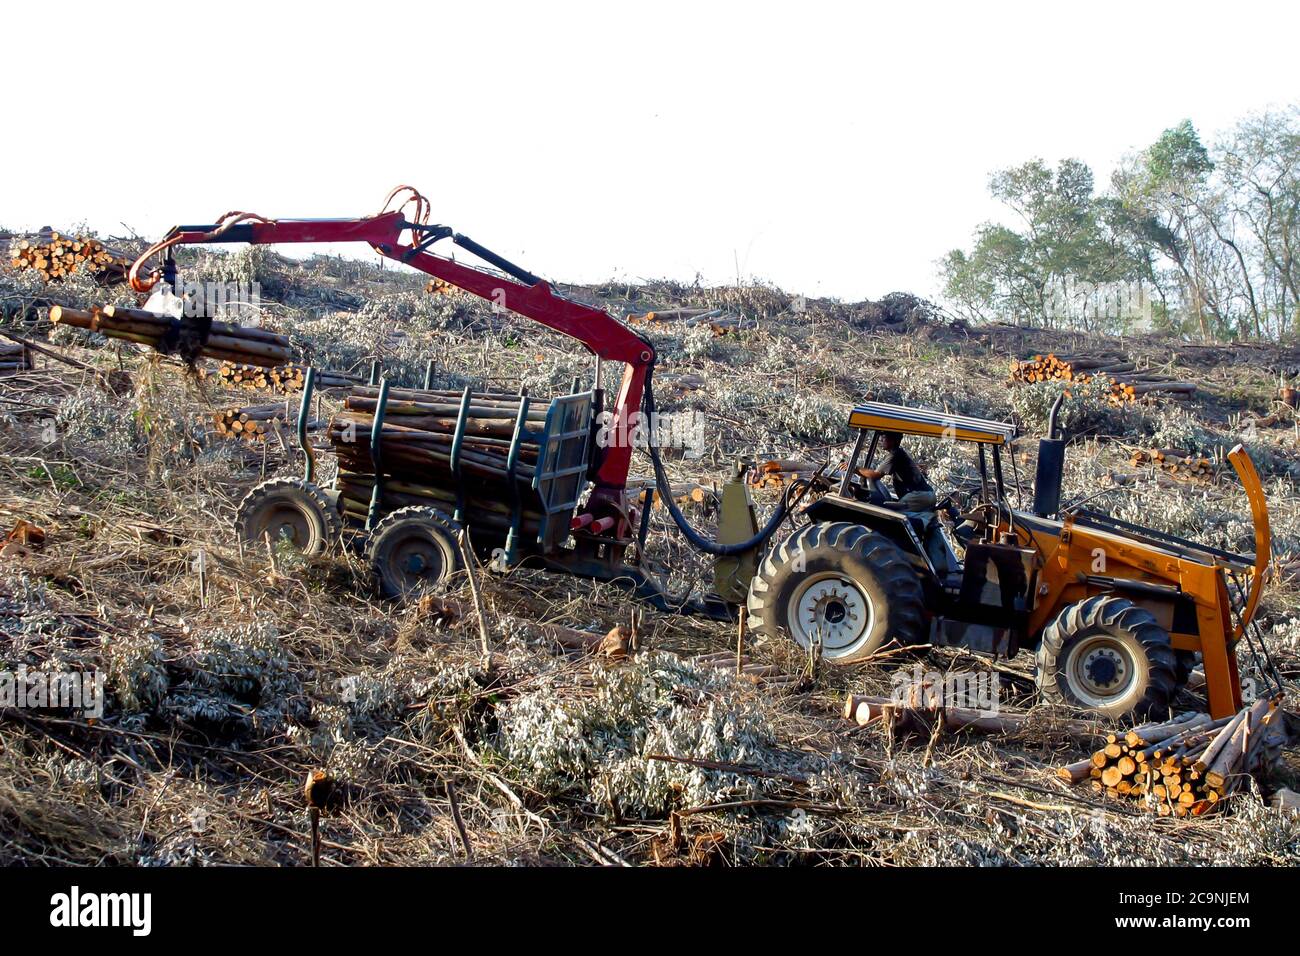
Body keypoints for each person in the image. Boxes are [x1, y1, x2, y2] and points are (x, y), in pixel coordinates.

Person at [857, 431, 933, 510]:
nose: (881, 440)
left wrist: (855, 469)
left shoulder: (895, 455)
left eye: (884, 437)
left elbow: (875, 475)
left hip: (919, 495)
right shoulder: (898, 453)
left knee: (895, 515)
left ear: (893, 440)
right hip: (925, 495)